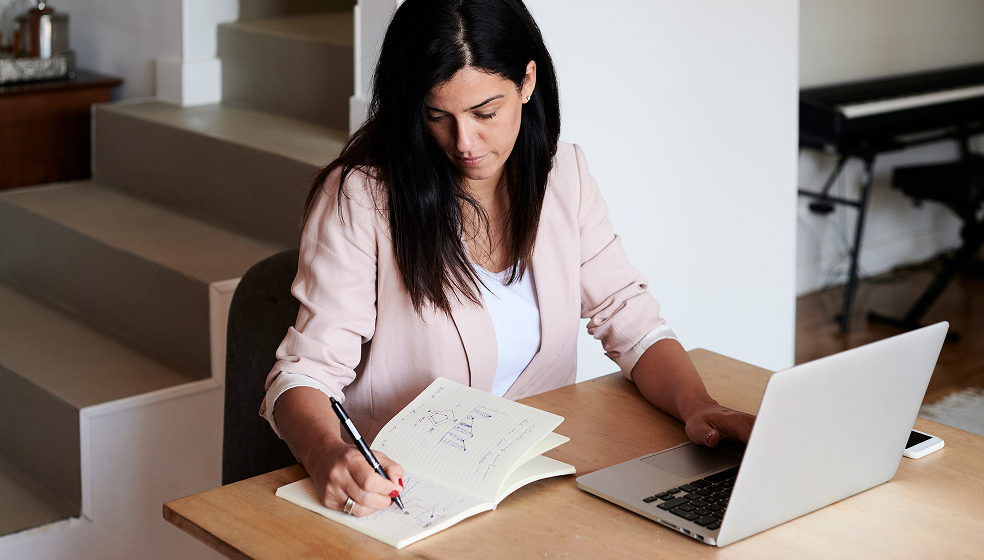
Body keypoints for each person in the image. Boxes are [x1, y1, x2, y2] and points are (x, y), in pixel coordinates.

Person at [260, 0, 755, 518]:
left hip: (540, 486)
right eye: (437, 116)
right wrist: (325, 452)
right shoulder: (363, 199)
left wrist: (700, 406)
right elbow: (302, 376)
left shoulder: (563, 177)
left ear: (527, 82)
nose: (464, 143)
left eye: (485, 113)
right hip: (406, 498)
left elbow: (631, 322)